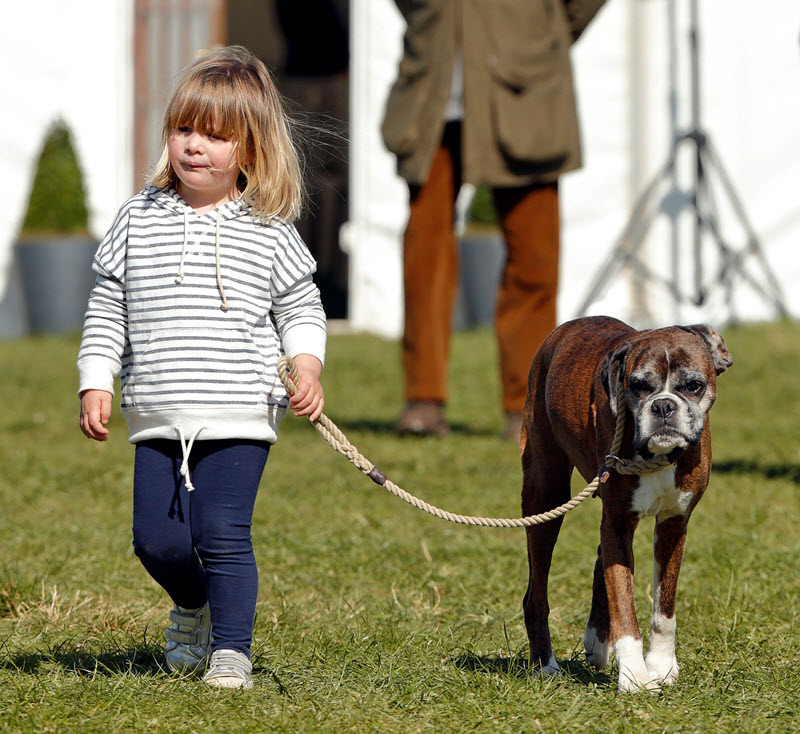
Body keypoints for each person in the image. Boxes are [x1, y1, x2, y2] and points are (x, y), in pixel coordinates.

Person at [77, 46, 327, 690]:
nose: (196, 147)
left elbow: (300, 303)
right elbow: (108, 304)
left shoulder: (268, 228)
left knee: (222, 533)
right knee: (156, 543)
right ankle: (192, 606)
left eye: (217, 136)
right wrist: (96, 378)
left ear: (249, 149)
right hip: (158, 413)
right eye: (186, 129)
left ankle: (232, 651)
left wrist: (305, 364)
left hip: (240, 412)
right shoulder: (138, 216)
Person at [381, 0, 606, 439]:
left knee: (533, 256)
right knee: (424, 250)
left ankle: (526, 405)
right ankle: (423, 399)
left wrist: (543, 26)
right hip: (434, 85)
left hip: (525, 82)